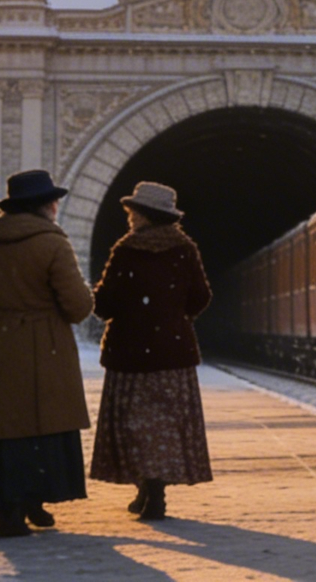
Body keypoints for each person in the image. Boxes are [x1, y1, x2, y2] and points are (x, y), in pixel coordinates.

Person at [0, 170, 94, 539]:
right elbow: (78, 306)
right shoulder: (53, 245)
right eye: (53, 200)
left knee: (6, 432)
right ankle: (37, 495)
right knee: (45, 427)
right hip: (48, 348)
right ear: (46, 206)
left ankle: (10, 512)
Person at [90, 181, 213, 521]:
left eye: (132, 213)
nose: (129, 218)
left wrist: (108, 300)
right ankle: (155, 491)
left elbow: (104, 304)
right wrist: (174, 316)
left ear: (143, 215)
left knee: (134, 423)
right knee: (166, 424)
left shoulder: (126, 249)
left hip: (130, 354)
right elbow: (202, 296)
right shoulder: (185, 248)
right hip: (172, 353)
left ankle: (145, 487)